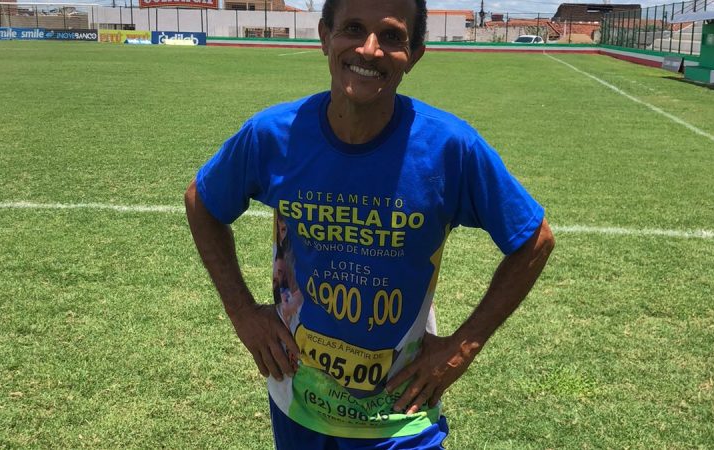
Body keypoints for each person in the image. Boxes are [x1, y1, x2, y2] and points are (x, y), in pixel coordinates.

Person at [184, 0, 555, 448]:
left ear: (415, 55)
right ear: (325, 37)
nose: (370, 49)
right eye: (353, 28)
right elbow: (201, 202)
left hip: (400, 415)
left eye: (392, 36)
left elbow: (534, 240)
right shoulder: (274, 134)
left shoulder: (449, 147)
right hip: (298, 400)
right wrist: (242, 313)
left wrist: (462, 347)